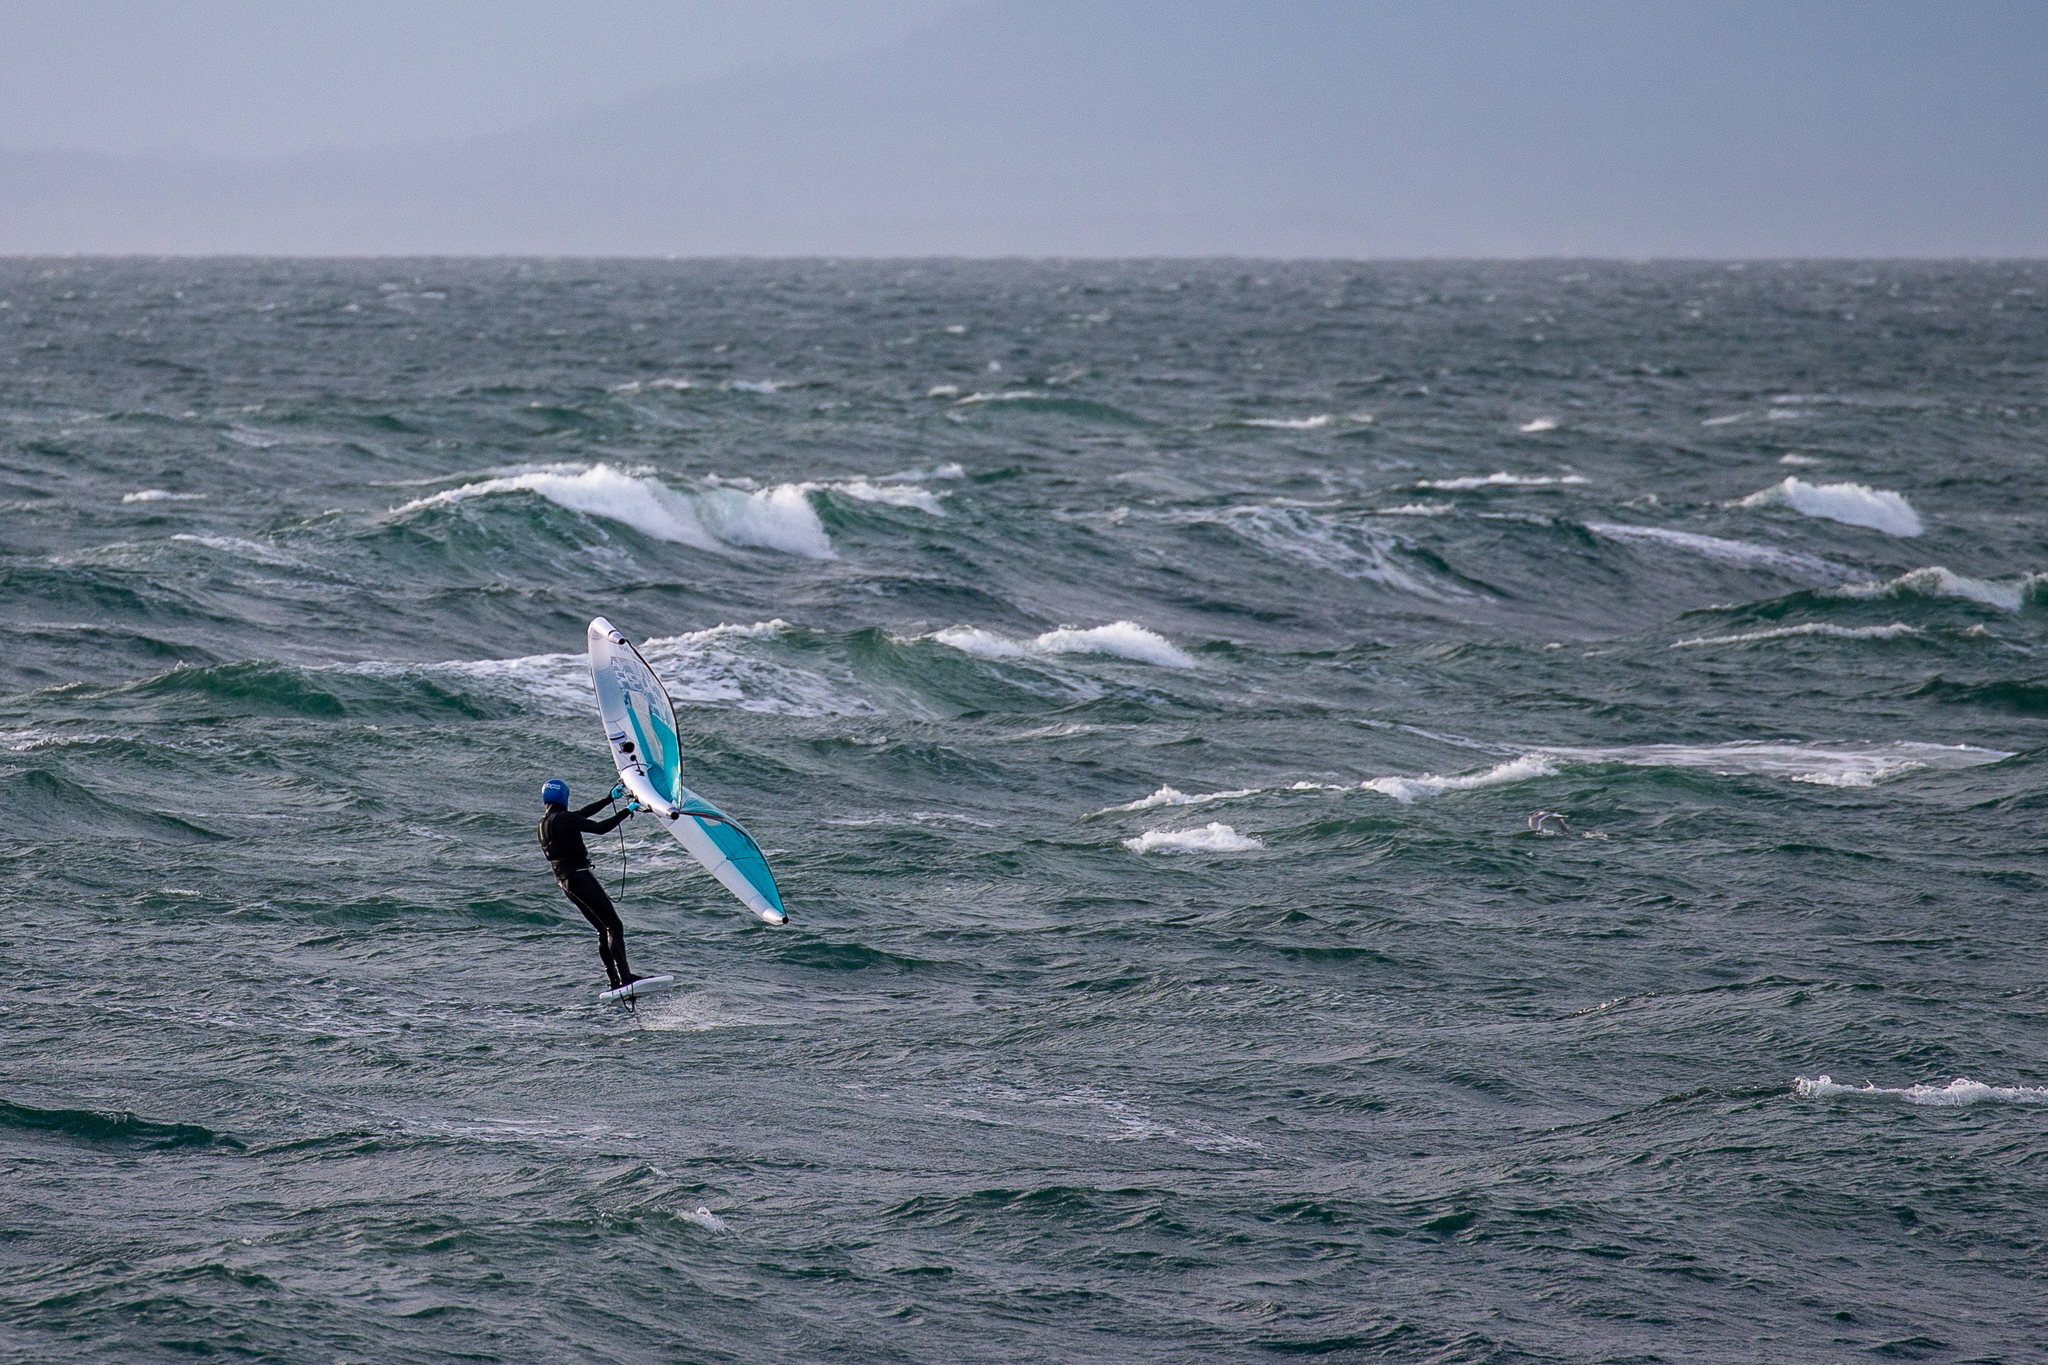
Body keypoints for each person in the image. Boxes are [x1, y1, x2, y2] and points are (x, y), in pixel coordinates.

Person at [537, 778, 642, 990]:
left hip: (566, 883)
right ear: (564, 797)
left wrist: (608, 799)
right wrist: (628, 809)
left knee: (602, 929)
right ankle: (626, 978)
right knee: (614, 924)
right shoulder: (564, 818)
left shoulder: (544, 824)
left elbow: (581, 815)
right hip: (580, 877)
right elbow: (600, 828)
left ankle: (614, 981)